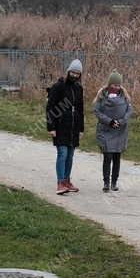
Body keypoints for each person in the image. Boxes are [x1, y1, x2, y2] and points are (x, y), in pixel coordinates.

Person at [46, 59, 84, 195]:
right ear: (68, 71)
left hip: (73, 128)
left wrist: (81, 129)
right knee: (62, 154)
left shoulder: (79, 88)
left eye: (77, 73)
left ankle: (67, 180)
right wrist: (51, 127)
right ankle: (60, 182)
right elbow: (50, 107)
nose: (75, 75)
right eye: (73, 72)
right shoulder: (59, 86)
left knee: (70, 155)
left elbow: (80, 109)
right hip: (60, 126)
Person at [93, 70, 133, 192]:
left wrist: (121, 121)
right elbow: (97, 111)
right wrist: (109, 121)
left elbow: (129, 111)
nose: (117, 87)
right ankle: (106, 182)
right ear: (110, 84)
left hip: (120, 131)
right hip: (106, 131)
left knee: (117, 157)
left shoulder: (125, 96)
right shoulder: (101, 96)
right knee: (107, 157)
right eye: (114, 85)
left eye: (118, 85)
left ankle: (114, 182)